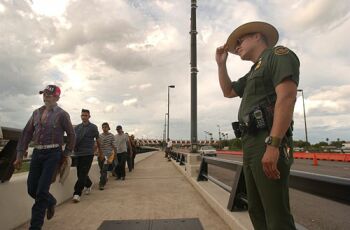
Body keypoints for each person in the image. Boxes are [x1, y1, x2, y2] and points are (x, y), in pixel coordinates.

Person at [215, 21, 299, 229]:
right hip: (250, 142)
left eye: (240, 41)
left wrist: (274, 144)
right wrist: (221, 64)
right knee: (256, 210)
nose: (236, 47)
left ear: (257, 36)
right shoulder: (253, 71)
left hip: (267, 139)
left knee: (276, 214)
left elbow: (287, 97)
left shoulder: (278, 55)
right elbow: (228, 91)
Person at [14, 85, 75, 230]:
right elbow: (26, 134)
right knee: (31, 189)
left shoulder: (62, 114)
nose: (46, 96)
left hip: (53, 154)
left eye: (49, 94)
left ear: (57, 97)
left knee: (41, 191)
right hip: (37, 153)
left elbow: (72, 135)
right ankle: (51, 201)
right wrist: (19, 155)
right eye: (44, 94)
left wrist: (65, 154)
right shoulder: (36, 113)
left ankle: (35, 227)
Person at [72, 109, 100, 202]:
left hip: (88, 153)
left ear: (89, 116)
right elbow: (73, 140)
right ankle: (88, 184)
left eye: (86, 115)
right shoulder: (77, 128)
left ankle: (77, 193)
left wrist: (99, 151)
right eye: (82, 115)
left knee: (83, 173)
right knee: (80, 174)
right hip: (78, 153)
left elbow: (98, 139)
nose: (84, 117)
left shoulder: (93, 127)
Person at [97, 122, 117, 190]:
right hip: (100, 155)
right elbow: (97, 145)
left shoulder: (111, 136)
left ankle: (101, 184)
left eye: (106, 127)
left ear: (108, 128)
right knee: (101, 170)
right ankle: (104, 178)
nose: (104, 128)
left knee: (104, 170)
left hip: (107, 156)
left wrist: (115, 155)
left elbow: (114, 146)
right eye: (103, 127)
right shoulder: (99, 136)